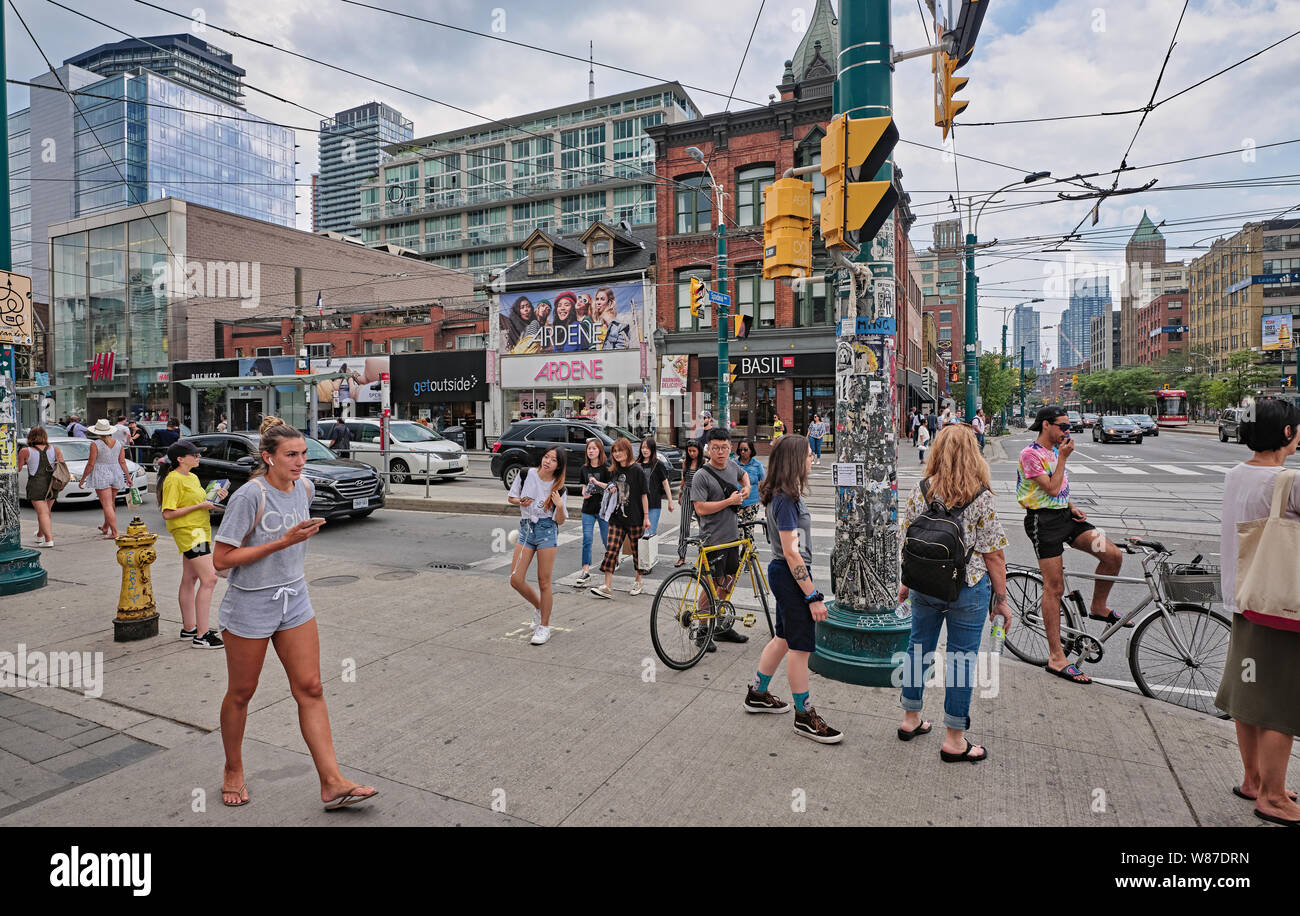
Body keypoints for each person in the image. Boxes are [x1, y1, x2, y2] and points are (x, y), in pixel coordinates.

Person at [212, 417, 377, 810]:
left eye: (303, 453)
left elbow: (292, 542)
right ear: (268, 458)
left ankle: (332, 781)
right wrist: (282, 542)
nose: (301, 461)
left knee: (312, 688)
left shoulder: (304, 487)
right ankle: (232, 768)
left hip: (294, 599)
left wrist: (295, 540)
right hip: (251, 603)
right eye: (291, 455)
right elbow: (221, 559)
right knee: (241, 692)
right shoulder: (251, 496)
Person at [898, 424, 1010, 763]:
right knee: (962, 660)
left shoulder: (921, 490)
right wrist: (1001, 600)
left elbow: (908, 541)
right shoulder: (981, 496)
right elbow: (993, 554)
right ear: (974, 453)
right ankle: (954, 740)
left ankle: (910, 718)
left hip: (923, 585)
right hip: (968, 588)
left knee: (917, 649)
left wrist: (906, 582)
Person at [1214, 398, 1300, 826]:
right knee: (1278, 706)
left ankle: (1253, 780)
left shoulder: (1236, 474)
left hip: (1243, 600)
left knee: (1249, 698)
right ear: (1287, 434)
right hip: (1277, 606)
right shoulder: (1288, 481)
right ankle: (1272, 797)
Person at [1017, 406, 1124, 685]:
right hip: (1043, 523)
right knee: (1055, 588)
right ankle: (1056, 657)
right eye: (1063, 426)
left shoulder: (1055, 451)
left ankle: (1099, 607)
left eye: (1068, 426)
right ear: (1045, 425)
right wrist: (1063, 458)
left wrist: (1072, 506)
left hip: (1066, 516)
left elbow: (1058, 490)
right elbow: (1050, 488)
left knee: (1112, 554)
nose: (1068, 430)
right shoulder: (1031, 454)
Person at [746, 434, 841, 742]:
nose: (812, 459)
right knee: (800, 649)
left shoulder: (784, 495)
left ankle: (758, 694)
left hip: (784, 574)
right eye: (809, 455)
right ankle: (804, 716)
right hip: (790, 575)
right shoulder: (786, 499)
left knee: (784, 639)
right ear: (794, 460)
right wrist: (812, 594)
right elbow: (791, 551)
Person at [160, 440, 226, 649]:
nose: (198, 457)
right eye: (195, 454)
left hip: (199, 530)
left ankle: (190, 628)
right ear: (180, 459)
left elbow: (198, 504)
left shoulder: (193, 477)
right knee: (210, 579)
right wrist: (201, 505)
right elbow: (168, 513)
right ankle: (202, 634)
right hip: (191, 533)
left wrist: (214, 499)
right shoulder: (174, 480)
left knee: (190, 578)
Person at [691, 428, 752, 652]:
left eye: (724, 447)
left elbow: (742, 474)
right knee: (710, 587)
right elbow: (700, 508)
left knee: (727, 583)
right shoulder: (702, 475)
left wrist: (746, 487)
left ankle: (722, 626)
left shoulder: (731, 466)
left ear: (730, 448)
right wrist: (728, 501)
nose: (720, 452)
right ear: (708, 449)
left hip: (731, 538)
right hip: (712, 540)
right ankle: (702, 630)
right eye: (715, 448)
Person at [508, 447, 568, 646]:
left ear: (558, 466)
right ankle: (541, 607)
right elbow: (511, 497)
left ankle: (544, 626)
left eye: (553, 460)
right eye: (546, 457)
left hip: (547, 531)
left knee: (544, 581)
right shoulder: (526, 474)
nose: (548, 461)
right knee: (515, 579)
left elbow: (560, 521)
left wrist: (559, 505)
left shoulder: (559, 488)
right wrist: (521, 502)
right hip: (526, 529)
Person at [590, 437, 649, 599]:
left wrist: (646, 517)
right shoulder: (615, 470)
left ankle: (638, 580)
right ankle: (607, 586)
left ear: (628, 451)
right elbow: (611, 487)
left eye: (620, 451)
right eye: (614, 451)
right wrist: (608, 487)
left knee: (637, 552)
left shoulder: (637, 470)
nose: (617, 454)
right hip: (617, 518)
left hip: (635, 517)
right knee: (611, 550)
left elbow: (644, 495)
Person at [80, 419, 131, 540]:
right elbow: (122, 462)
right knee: (111, 503)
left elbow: (91, 464)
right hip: (116, 472)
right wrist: (128, 477)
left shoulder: (95, 444)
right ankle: (105, 526)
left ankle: (114, 532)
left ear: (97, 431)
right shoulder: (118, 443)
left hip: (101, 473)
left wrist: (83, 479)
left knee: (107, 504)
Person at [18, 427, 63, 548]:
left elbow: (18, 468)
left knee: (42, 513)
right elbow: (62, 466)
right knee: (46, 512)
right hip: (52, 484)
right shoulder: (55, 449)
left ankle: (49, 539)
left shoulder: (25, 451)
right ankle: (40, 535)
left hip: (36, 483)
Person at [575, 438, 611, 586]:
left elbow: (610, 487)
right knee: (587, 540)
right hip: (588, 509)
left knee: (606, 540)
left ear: (600, 451)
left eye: (594, 448)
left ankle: (611, 561)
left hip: (603, 510)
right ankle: (586, 570)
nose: (591, 451)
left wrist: (597, 483)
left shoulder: (606, 468)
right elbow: (583, 486)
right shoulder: (584, 469)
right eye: (589, 449)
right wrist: (584, 493)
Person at [637, 437, 675, 539]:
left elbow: (665, 483)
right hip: (639, 505)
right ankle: (640, 555)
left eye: (647, 448)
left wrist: (670, 501)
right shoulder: (637, 464)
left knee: (649, 533)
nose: (645, 450)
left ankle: (648, 555)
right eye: (643, 447)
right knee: (639, 535)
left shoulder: (658, 464)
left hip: (654, 503)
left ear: (653, 449)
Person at [675, 441, 704, 568]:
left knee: (703, 526)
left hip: (699, 495)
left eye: (694, 451)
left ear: (699, 451)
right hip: (687, 493)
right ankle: (682, 556)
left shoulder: (704, 463)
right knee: (684, 526)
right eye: (689, 451)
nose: (691, 453)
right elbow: (684, 479)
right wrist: (680, 494)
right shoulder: (685, 463)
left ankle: (703, 556)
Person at [733, 439, 764, 524]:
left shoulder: (757, 465)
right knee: (737, 531)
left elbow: (763, 483)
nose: (742, 452)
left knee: (749, 530)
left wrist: (763, 501)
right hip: (736, 503)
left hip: (752, 503)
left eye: (745, 449)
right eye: (740, 450)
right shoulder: (733, 463)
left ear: (751, 450)